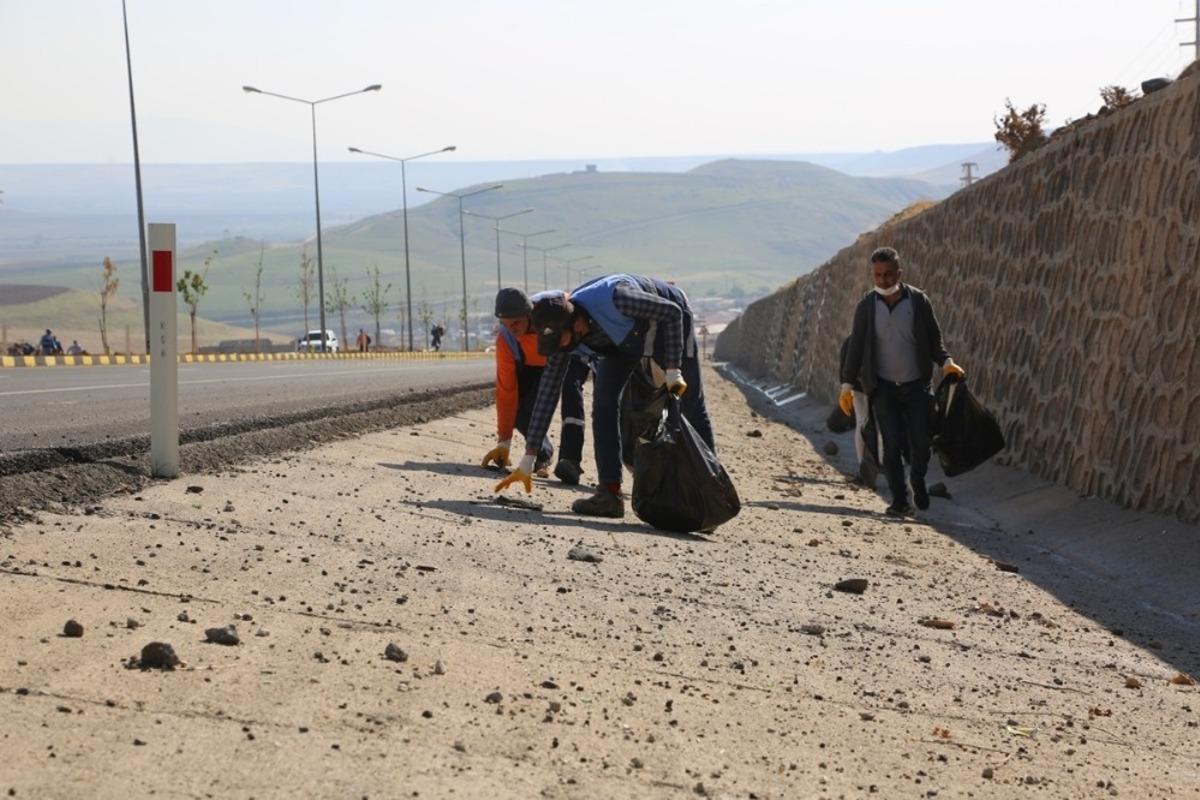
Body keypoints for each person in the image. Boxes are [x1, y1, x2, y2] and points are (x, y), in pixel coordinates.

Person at [495, 273, 714, 519]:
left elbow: (672, 312)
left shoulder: (618, 299)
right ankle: (609, 495)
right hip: (619, 342)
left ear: (576, 326)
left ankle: (708, 497)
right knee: (604, 407)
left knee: (690, 404)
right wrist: (529, 457)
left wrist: (673, 369)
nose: (563, 349)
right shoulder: (560, 335)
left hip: (665, 322)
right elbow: (548, 393)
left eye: (563, 342)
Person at [840, 247, 964, 516]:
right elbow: (856, 348)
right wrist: (847, 385)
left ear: (899, 273)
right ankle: (899, 501)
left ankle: (917, 479)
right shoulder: (866, 307)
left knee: (921, 443)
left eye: (887, 274)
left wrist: (946, 363)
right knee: (892, 445)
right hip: (883, 388)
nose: (882, 280)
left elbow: (934, 341)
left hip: (917, 387)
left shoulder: (919, 301)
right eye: (877, 275)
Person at [481, 288, 591, 484]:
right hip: (535, 366)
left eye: (516, 323)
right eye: (505, 324)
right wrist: (504, 442)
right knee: (519, 409)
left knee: (570, 392)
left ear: (528, 314)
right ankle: (543, 454)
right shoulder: (506, 339)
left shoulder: (553, 312)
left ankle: (570, 460)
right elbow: (506, 392)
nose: (512, 330)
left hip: (568, 350)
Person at [839, 336, 879, 487]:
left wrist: (845, 388)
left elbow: (844, 365)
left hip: (861, 389)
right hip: (875, 390)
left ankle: (864, 470)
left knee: (862, 424)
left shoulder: (852, 339)